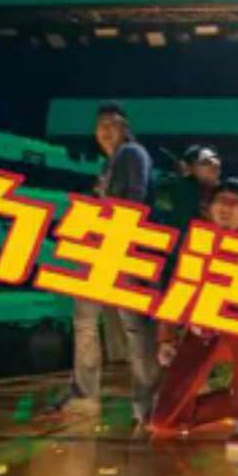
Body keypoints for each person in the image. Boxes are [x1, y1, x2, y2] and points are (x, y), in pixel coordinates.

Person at [59, 103, 160, 426]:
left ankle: (145, 400)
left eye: (111, 124)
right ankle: (87, 395)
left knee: (132, 327)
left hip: (121, 248)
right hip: (103, 250)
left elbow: (133, 200)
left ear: (125, 127)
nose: (104, 130)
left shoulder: (132, 153)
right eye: (100, 125)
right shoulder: (110, 163)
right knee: (87, 323)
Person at [151, 178, 238, 462]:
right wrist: (166, 338)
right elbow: (178, 290)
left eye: (235, 203)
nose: (226, 208)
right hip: (202, 333)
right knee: (163, 421)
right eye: (220, 201)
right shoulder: (197, 243)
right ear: (209, 208)